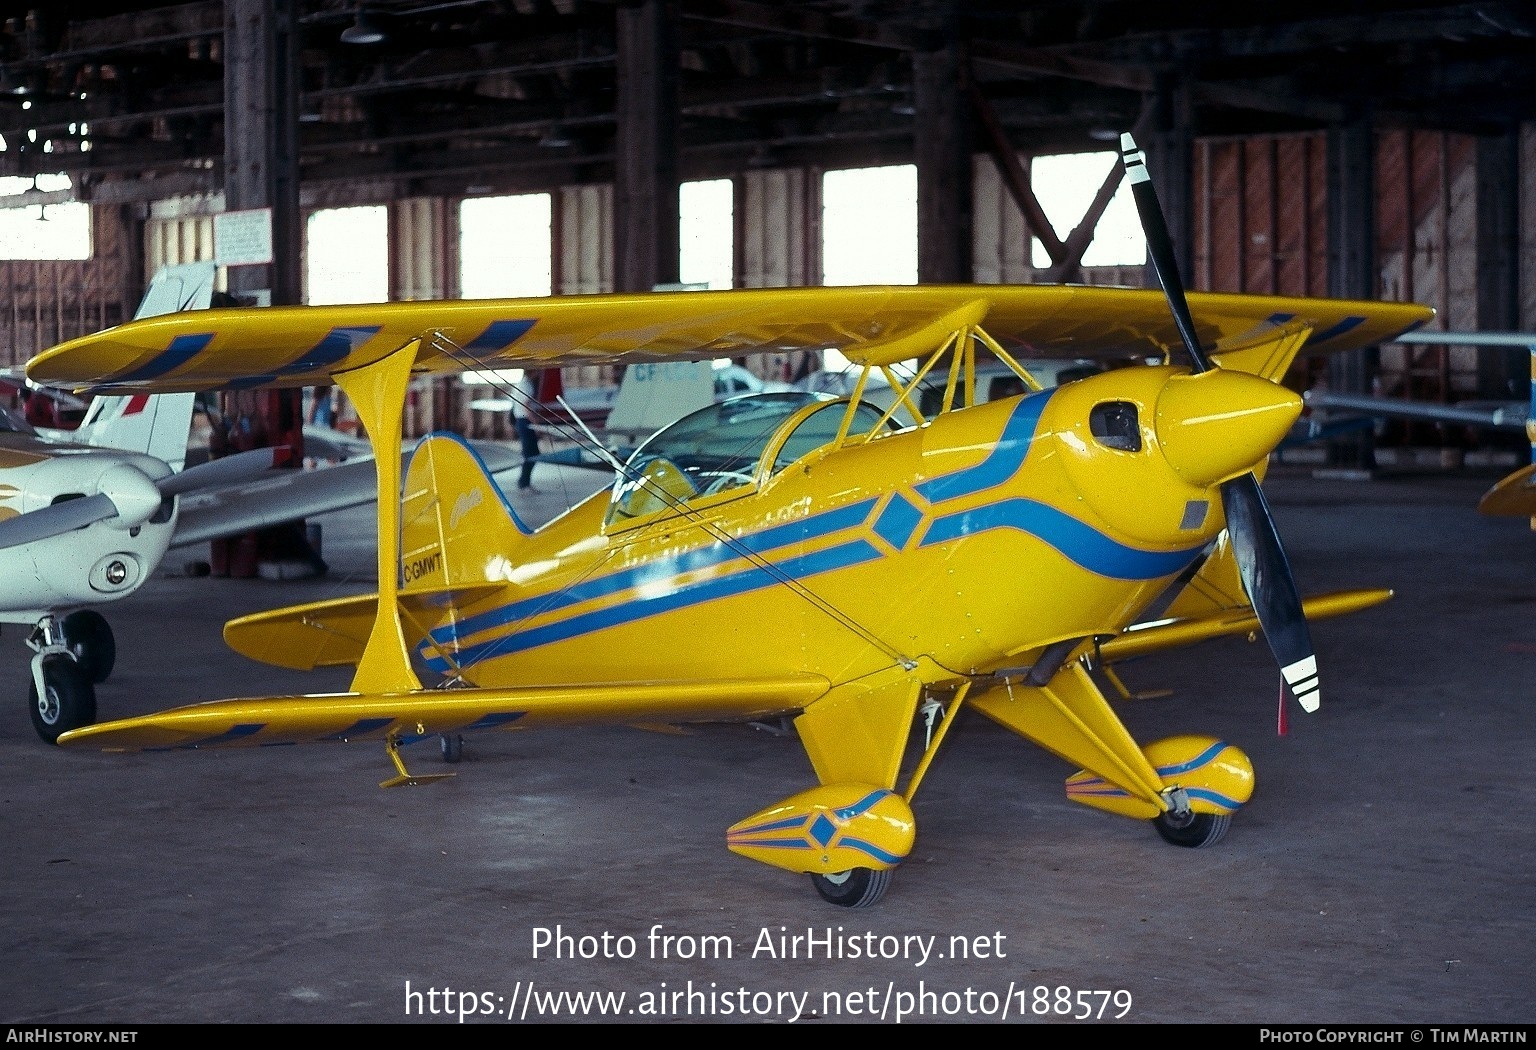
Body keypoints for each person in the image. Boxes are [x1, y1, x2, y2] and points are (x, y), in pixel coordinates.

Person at [514, 371, 541, 491]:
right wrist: (535, 422)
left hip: (523, 420)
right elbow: (526, 405)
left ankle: (525, 482)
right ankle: (524, 483)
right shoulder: (526, 385)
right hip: (525, 421)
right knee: (530, 453)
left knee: (532, 452)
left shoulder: (524, 383)